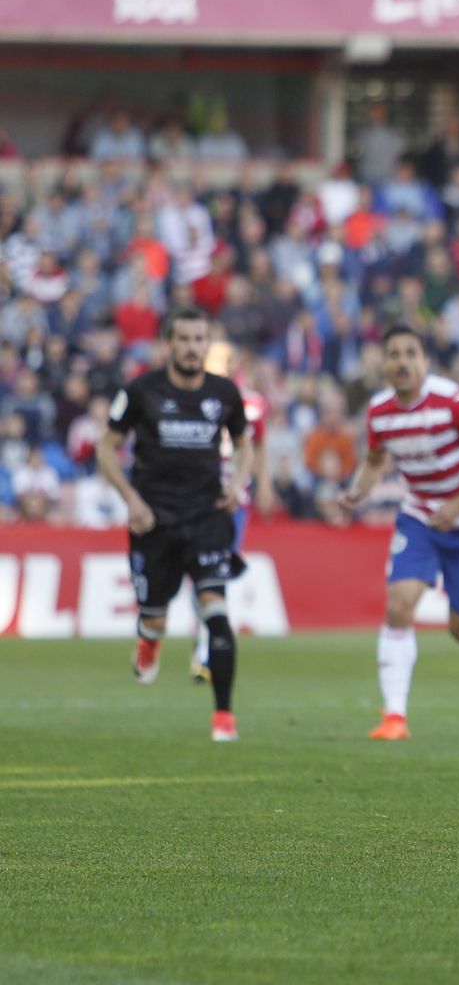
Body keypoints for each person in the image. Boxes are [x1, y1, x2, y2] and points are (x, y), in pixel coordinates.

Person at [338, 325, 459, 740]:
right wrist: (358, 492)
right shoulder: (380, 412)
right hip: (419, 517)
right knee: (399, 605)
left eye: (410, 354)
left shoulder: (451, 401)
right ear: (383, 363)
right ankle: (394, 717)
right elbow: (374, 460)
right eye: (393, 355)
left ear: (424, 361)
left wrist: (458, 505)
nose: (402, 362)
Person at [96, 309, 253, 742]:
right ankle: (149, 641)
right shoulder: (140, 392)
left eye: (198, 339)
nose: (191, 347)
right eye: (182, 339)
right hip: (154, 521)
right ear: (168, 344)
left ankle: (224, 717)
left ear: (208, 344)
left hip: (206, 518)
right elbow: (107, 449)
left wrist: (238, 483)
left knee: (216, 613)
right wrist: (131, 500)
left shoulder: (225, 393)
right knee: (155, 617)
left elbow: (244, 445)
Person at [191, 345, 272, 683]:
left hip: (234, 499)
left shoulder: (252, 402)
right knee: (199, 573)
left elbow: (258, 446)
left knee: (217, 568)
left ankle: (205, 650)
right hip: (196, 497)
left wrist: (264, 484)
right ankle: (205, 640)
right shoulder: (191, 399)